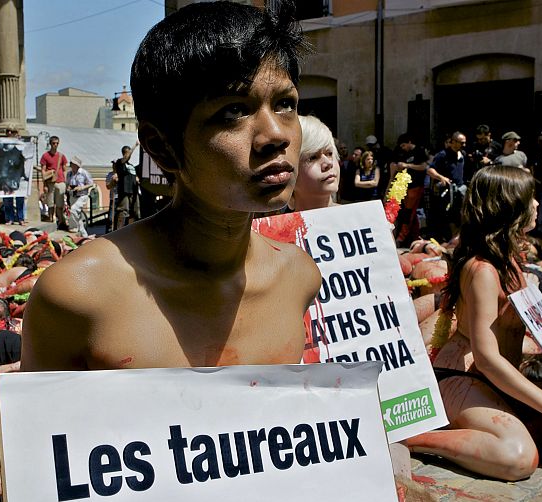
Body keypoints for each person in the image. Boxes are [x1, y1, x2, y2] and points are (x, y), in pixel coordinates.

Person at [22, 0, 320, 371]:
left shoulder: (299, 278)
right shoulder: (77, 296)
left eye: (285, 104)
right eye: (233, 111)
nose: (275, 134)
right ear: (162, 147)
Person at [407, 166, 542, 481]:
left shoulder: (509, 261)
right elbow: (486, 357)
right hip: (461, 377)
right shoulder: (482, 269)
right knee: (518, 457)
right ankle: (412, 439)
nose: (538, 205)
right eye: (531, 199)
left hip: (494, 380)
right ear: (510, 208)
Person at [286, 115, 340, 212]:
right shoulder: (273, 226)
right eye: (313, 157)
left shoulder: (362, 219)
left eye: (330, 153)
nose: (328, 163)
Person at [390, 133, 430, 246]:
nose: (403, 148)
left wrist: (408, 165)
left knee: (409, 212)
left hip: (416, 185)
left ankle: (401, 237)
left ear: (409, 142)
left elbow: (424, 167)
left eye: (404, 145)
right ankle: (414, 236)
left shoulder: (420, 151)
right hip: (404, 185)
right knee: (407, 213)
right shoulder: (403, 153)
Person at [427, 131, 466, 242]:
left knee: (458, 215)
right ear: (453, 142)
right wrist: (441, 177)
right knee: (447, 216)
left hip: (459, 190)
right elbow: (430, 170)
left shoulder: (462, 154)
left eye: (464, 143)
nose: (463, 145)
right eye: (461, 143)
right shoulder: (442, 155)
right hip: (446, 192)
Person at [39, 135, 68, 228]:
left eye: (57, 143)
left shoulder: (61, 156)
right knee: (50, 202)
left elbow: (65, 169)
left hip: (60, 181)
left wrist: (66, 182)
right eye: (53, 143)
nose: (55, 145)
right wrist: (44, 184)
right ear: (50, 144)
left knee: (60, 203)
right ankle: (51, 218)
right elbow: (43, 171)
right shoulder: (45, 156)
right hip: (50, 181)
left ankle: (60, 220)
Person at [112, 141, 141, 229]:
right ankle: (119, 231)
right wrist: (135, 146)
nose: (130, 155)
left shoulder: (131, 166)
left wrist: (137, 179)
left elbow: (135, 175)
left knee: (134, 212)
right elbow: (126, 157)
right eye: (128, 153)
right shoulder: (119, 163)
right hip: (124, 191)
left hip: (133, 191)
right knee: (123, 212)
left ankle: (130, 230)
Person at [66, 156, 95, 237]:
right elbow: (67, 184)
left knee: (74, 210)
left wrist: (81, 187)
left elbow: (91, 183)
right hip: (73, 195)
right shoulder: (69, 174)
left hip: (82, 195)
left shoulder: (83, 173)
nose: (71, 165)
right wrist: (68, 188)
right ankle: (84, 234)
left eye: (72, 163)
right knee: (76, 215)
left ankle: (75, 228)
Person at [3, 126, 26, 225]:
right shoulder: (2, 143)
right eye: (8, 131)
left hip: (17, 173)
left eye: (13, 131)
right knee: (7, 198)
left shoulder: (21, 143)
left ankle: (21, 218)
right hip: (7, 174)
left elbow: (24, 157)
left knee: (20, 197)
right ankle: (10, 218)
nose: (10, 133)